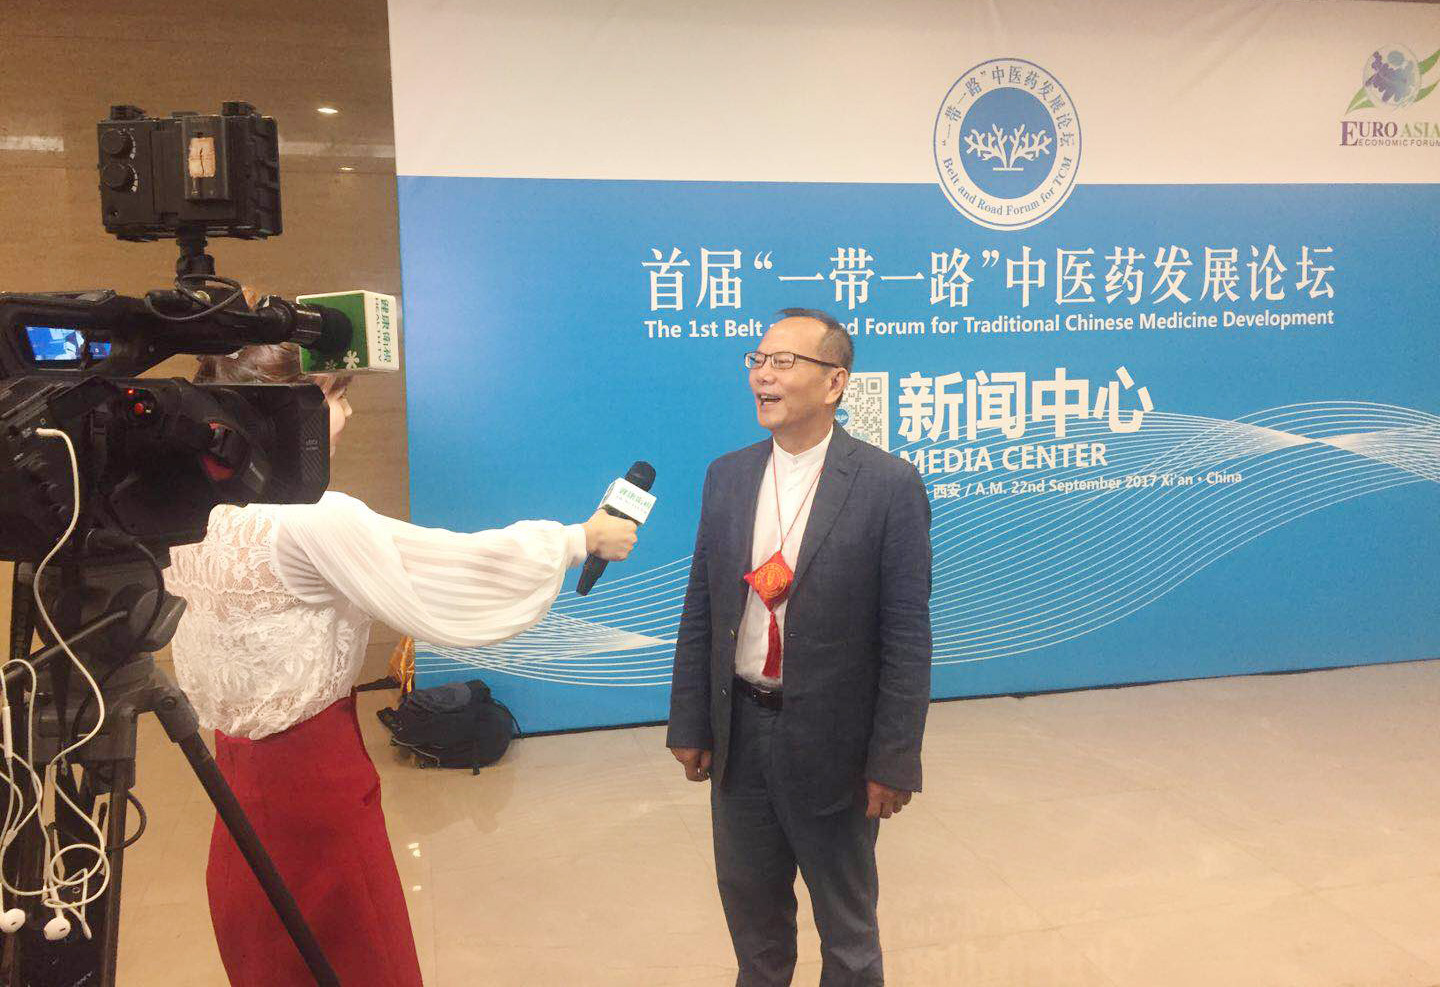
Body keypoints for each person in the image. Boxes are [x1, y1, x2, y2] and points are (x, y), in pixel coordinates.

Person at [167, 335, 638, 987]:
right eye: (335, 397)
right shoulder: (313, 520)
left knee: (268, 953)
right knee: (359, 955)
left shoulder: (186, 509)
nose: (348, 414)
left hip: (236, 779)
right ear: (284, 413)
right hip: (316, 782)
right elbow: (458, 563)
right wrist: (579, 538)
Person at [667, 308, 932, 987]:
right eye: (757, 360)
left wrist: (893, 757)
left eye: (783, 362)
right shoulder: (727, 476)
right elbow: (702, 607)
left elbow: (907, 636)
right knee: (755, 929)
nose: (763, 374)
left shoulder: (888, 484)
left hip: (835, 748)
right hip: (739, 734)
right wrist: (691, 721)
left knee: (848, 936)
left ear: (835, 382)